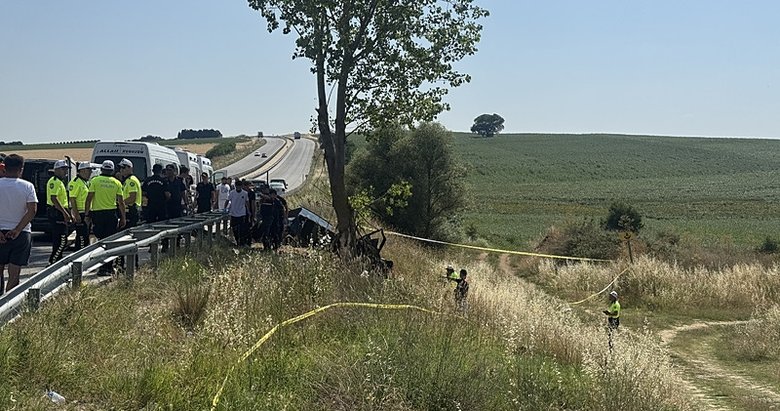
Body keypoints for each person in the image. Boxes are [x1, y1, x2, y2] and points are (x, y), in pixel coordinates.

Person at [0, 155, 37, 295]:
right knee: (14, 273)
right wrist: (17, 229)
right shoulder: (27, 186)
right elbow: (32, 210)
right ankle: (9, 304)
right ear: (21, 169)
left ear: (4, 167)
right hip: (21, 234)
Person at [85, 160, 126, 276]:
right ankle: (108, 267)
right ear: (112, 171)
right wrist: (123, 217)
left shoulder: (95, 181)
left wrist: (87, 214)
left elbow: (89, 199)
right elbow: (121, 203)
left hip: (97, 214)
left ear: (102, 169)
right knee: (109, 241)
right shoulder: (117, 183)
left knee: (99, 240)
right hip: (111, 214)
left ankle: (100, 266)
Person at [47, 160, 73, 264]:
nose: (65, 172)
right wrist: (65, 213)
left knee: (60, 240)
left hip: (60, 211)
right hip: (57, 212)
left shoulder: (59, 182)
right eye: (63, 169)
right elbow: (54, 199)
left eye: (66, 169)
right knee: (62, 240)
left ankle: (57, 261)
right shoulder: (55, 181)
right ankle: (53, 262)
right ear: (56, 170)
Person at [68, 162, 94, 250]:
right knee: (81, 237)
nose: (90, 172)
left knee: (86, 236)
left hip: (87, 212)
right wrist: (76, 214)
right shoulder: (75, 182)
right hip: (80, 213)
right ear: (82, 170)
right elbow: (72, 199)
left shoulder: (86, 182)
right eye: (88, 170)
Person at [162, 164, 187, 252]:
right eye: (167, 170)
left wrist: (185, 204)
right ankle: (165, 244)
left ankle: (176, 244)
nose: (168, 172)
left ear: (174, 171)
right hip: (167, 206)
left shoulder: (179, 181)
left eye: (170, 170)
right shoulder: (164, 181)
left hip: (177, 206)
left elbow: (183, 193)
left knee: (177, 225)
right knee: (166, 225)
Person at [119, 158, 142, 229]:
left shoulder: (131, 180)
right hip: (128, 210)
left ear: (130, 168)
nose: (121, 170)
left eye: (123, 167)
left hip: (131, 210)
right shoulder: (127, 180)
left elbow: (132, 198)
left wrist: (120, 203)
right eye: (120, 168)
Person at [225, 180, 249, 246]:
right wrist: (225, 209)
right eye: (237, 186)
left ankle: (241, 242)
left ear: (241, 186)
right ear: (235, 186)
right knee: (234, 228)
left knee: (241, 229)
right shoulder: (232, 193)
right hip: (234, 213)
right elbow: (227, 200)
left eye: (239, 186)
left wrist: (249, 211)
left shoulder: (245, 193)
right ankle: (237, 240)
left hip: (242, 213)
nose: (238, 188)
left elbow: (247, 203)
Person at [257, 184, 275, 250]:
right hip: (264, 218)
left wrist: (261, 195)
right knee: (263, 232)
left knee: (267, 232)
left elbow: (269, 198)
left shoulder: (270, 196)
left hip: (269, 218)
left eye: (264, 189)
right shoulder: (263, 199)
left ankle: (268, 246)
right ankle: (265, 245)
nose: (263, 190)